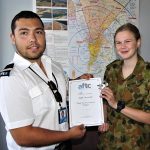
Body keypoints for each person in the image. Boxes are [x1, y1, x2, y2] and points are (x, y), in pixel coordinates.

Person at [0, 10, 93, 150]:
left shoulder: (54, 65)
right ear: (13, 38)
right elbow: (23, 136)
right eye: (24, 33)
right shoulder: (12, 78)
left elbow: (62, 90)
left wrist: (78, 82)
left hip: (64, 145)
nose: (33, 39)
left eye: (38, 32)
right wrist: (68, 135)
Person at [98, 23, 150, 150]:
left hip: (136, 144)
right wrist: (103, 120)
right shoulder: (111, 69)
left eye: (127, 41)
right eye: (118, 42)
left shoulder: (148, 73)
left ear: (138, 42)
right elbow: (105, 101)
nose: (123, 46)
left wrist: (117, 105)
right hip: (108, 142)